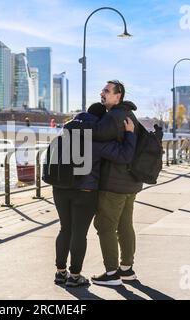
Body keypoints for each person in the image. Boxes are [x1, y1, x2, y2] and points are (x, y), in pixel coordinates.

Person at [66, 80, 142, 286]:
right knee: (125, 224)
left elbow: (96, 132)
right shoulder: (126, 114)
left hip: (115, 183)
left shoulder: (114, 116)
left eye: (107, 91)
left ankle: (112, 274)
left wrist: (75, 123)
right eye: (103, 90)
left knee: (105, 225)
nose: (102, 93)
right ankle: (126, 269)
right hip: (130, 182)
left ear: (118, 96)